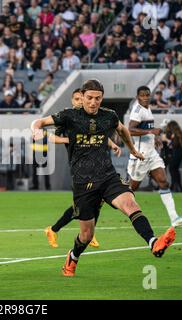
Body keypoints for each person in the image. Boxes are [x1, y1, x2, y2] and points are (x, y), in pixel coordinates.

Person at [31, 79, 176, 277]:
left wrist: (132, 149)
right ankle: (72, 258)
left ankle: (153, 243)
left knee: (131, 204)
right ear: (81, 97)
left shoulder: (109, 116)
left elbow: (123, 129)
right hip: (83, 183)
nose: (93, 102)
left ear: (102, 99)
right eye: (89, 98)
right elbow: (39, 122)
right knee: (86, 235)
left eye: (97, 98)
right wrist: (36, 130)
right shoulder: (69, 115)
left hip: (107, 176)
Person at [44, 88, 122, 249]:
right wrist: (70, 139)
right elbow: (52, 137)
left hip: (97, 166)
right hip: (80, 167)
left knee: (96, 202)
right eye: (77, 99)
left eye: (82, 99)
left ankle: (86, 233)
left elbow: (98, 136)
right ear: (73, 101)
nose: (81, 102)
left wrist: (112, 144)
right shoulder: (68, 118)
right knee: (81, 207)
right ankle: (54, 229)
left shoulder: (89, 119)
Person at [128, 86, 182, 227]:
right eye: (142, 95)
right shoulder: (137, 111)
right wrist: (151, 131)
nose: (145, 97)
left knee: (163, 182)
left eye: (147, 95)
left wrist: (154, 138)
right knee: (130, 189)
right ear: (138, 97)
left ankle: (174, 217)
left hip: (151, 153)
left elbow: (146, 129)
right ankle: (107, 199)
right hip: (141, 156)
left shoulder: (147, 108)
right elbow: (130, 130)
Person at [162, 120, 182, 192]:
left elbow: (174, 145)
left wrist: (168, 140)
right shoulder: (177, 134)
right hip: (179, 152)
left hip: (176, 153)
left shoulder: (175, 135)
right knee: (175, 169)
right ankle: (178, 186)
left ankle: (175, 186)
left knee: (172, 169)